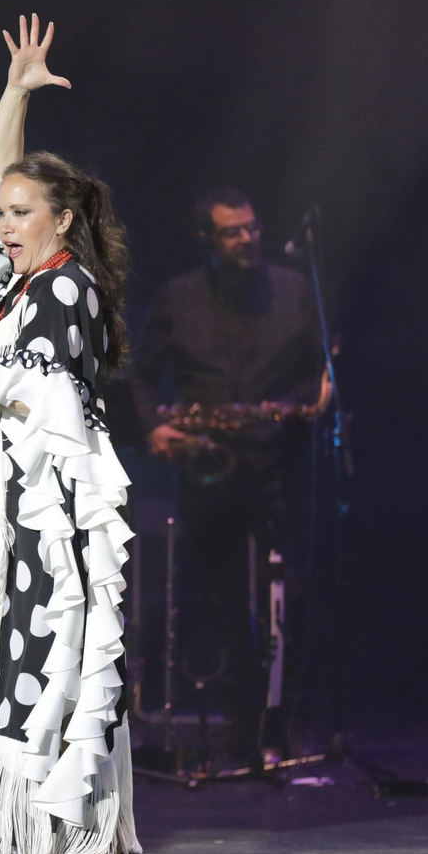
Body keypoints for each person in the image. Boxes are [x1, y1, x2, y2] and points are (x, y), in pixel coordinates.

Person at [0, 14, 141, 854]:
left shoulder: (66, 284)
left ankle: (43, 851)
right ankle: (98, 848)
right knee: (32, 658)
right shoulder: (22, 279)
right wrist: (15, 92)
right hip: (21, 501)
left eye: (23, 215)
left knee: (49, 656)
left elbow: (60, 397)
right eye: (3, 218)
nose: (3, 223)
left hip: (55, 511)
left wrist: (9, 400)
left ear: (61, 220)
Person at [128, 189, 325, 766]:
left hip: (280, 460)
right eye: (233, 232)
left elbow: (319, 370)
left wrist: (298, 404)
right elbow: (138, 376)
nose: (247, 239)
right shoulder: (179, 297)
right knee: (224, 602)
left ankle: (284, 726)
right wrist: (155, 432)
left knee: (290, 602)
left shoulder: (293, 289)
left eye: (252, 227)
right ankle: (240, 730)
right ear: (208, 241)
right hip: (209, 463)